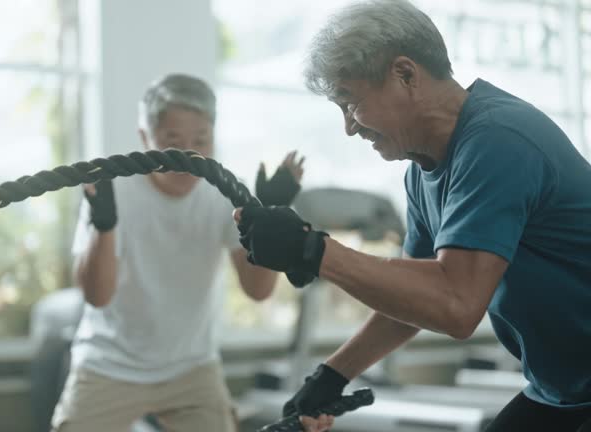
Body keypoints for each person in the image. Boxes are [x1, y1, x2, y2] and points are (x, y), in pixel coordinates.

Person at [233, 1, 591, 431]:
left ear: (405, 75)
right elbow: (414, 299)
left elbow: (455, 305)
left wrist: (314, 250)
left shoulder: (498, 139)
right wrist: (333, 374)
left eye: (350, 102)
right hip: (562, 389)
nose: (348, 126)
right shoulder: (422, 173)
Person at [50, 73, 306, 432]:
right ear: (145, 138)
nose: (189, 155)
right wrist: (104, 226)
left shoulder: (225, 192)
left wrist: (271, 221)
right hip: (110, 365)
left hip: (191, 367)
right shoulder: (113, 190)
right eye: (173, 141)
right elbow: (97, 296)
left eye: (201, 140)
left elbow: (258, 291)